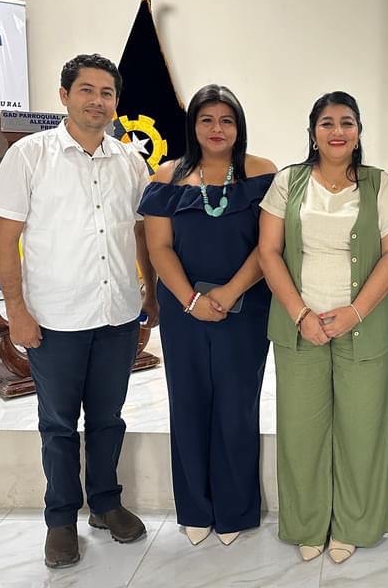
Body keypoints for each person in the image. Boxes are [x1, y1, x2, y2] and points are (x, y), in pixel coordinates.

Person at [0, 54, 158, 569]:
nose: (96, 101)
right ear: (64, 96)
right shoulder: (30, 156)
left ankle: (105, 503)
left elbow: (141, 233)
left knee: (107, 419)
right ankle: (60, 519)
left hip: (117, 314)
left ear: (116, 103)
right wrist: (16, 310)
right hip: (55, 319)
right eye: (86, 90)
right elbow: (6, 240)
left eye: (107, 93)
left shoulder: (131, 161)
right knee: (58, 424)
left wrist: (149, 293)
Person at [258, 91, 388, 564]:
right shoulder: (288, 181)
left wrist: (355, 312)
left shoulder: (378, 184)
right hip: (299, 326)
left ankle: (353, 525)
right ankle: (307, 523)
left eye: (347, 122)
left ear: (359, 132)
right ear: (313, 133)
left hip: (363, 324)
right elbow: (268, 252)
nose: (337, 131)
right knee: (301, 430)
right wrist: (301, 314)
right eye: (327, 123)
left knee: (362, 429)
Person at [139, 85, 276, 547]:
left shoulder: (262, 173)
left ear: (239, 126)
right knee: (189, 403)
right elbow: (158, 247)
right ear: (192, 125)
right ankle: (195, 508)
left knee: (237, 406)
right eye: (207, 120)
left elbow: (270, 245)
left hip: (247, 305)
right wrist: (191, 300)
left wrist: (231, 292)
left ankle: (235, 509)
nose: (217, 129)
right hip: (184, 310)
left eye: (226, 120)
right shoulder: (166, 176)